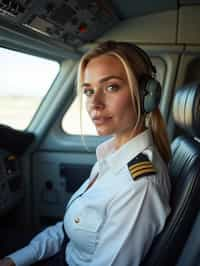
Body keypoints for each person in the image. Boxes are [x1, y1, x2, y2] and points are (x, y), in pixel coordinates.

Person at [0, 40, 171, 266]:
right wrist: (15, 260)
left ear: (146, 94)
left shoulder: (137, 186)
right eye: (88, 91)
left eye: (111, 87)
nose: (94, 104)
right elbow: (68, 231)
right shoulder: (112, 155)